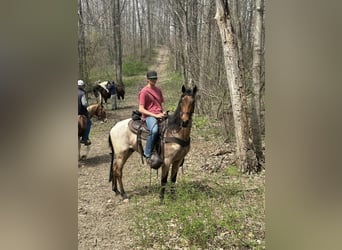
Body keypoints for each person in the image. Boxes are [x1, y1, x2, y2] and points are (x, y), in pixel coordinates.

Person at [138, 70, 166, 165]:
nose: (154, 80)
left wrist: (163, 113)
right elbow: (141, 109)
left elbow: (159, 105)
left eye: (155, 79)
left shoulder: (158, 90)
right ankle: (147, 153)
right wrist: (155, 115)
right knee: (154, 130)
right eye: (152, 79)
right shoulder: (144, 92)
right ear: (147, 79)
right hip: (149, 116)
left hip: (159, 114)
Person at [78, 80, 92, 145]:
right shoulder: (82, 93)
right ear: (81, 86)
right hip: (81, 112)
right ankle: (84, 138)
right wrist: (87, 105)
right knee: (89, 123)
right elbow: (84, 103)